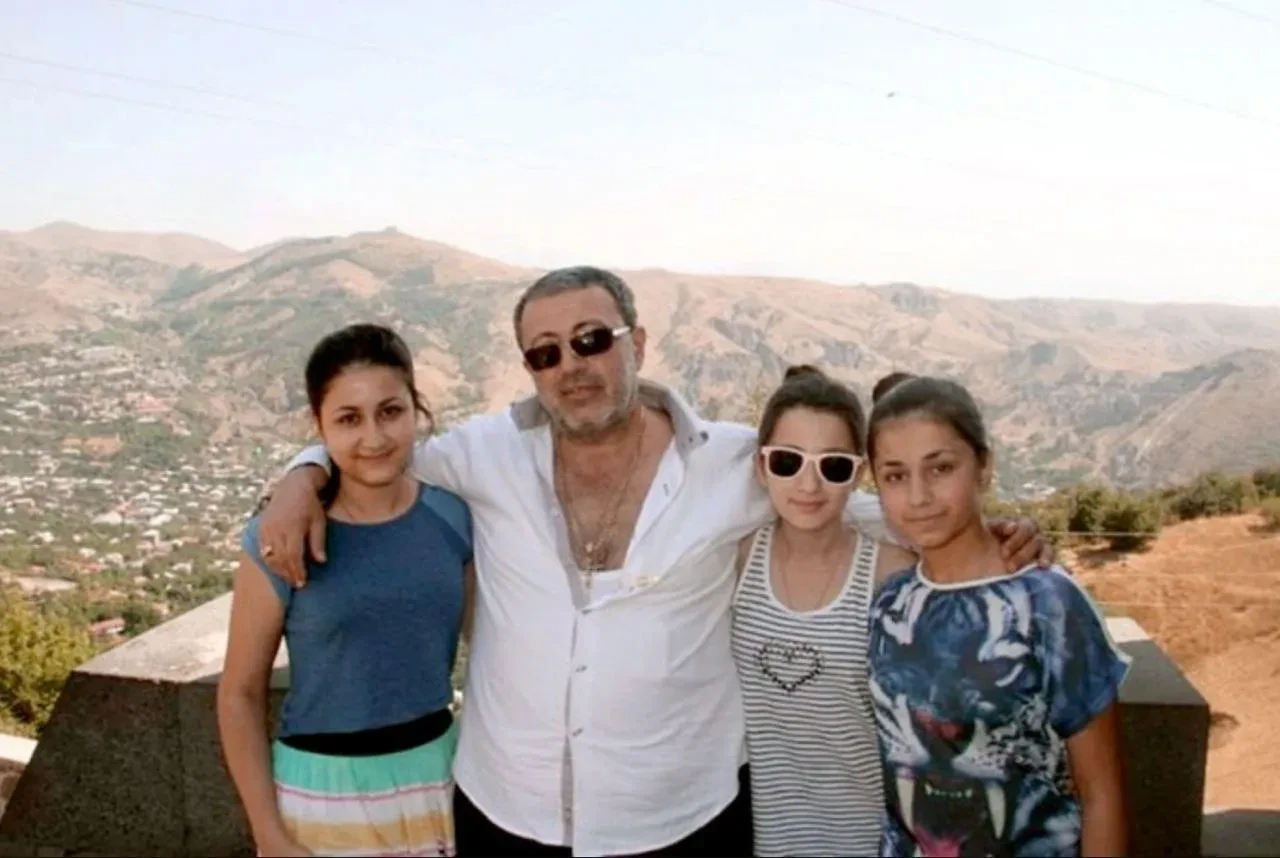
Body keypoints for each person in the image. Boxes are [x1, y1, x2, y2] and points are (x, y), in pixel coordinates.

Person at [254, 267, 1051, 857]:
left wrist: (979, 534)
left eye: (591, 340)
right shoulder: (486, 453)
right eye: (545, 352)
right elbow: (378, 450)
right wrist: (302, 474)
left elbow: (830, 494)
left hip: (681, 823)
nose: (571, 364)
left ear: (637, 343)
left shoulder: (730, 463)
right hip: (507, 815)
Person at [217, 324, 473, 858]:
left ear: (416, 409)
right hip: (320, 797)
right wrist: (267, 832)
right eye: (349, 419)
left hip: (440, 780)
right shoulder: (278, 539)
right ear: (320, 428)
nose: (374, 438)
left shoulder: (453, 517)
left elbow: (489, 651)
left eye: (390, 411)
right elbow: (239, 693)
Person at [865, 376, 1129, 857]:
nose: (919, 496)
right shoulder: (890, 603)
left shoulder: (1050, 603)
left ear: (984, 467)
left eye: (941, 468)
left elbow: (1102, 793)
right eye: (896, 476)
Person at [731, 365, 917, 856]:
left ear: (858, 473)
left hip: (870, 839)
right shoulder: (736, 561)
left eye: (833, 466)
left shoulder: (892, 575)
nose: (809, 484)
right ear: (761, 466)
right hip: (764, 840)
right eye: (787, 461)